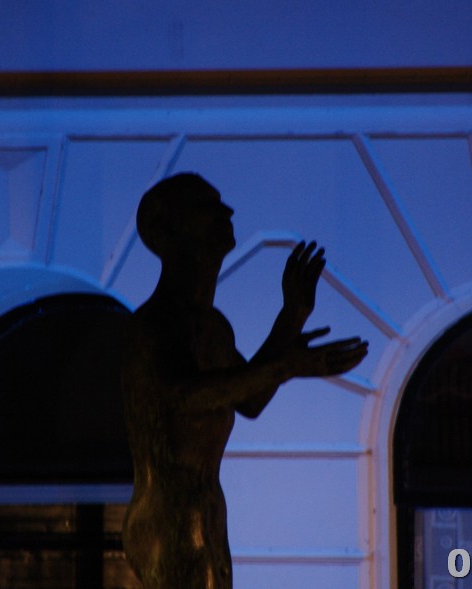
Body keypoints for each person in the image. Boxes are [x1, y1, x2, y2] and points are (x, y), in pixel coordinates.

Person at [121, 173, 368, 589]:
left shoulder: (213, 328)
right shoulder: (155, 324)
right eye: (206, 206)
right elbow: (184, 394)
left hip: (205, 510)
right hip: (169, 516)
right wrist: (285, 365)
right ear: (170, 230)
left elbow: (249, 399)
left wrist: (292, 315)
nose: (226, 212)